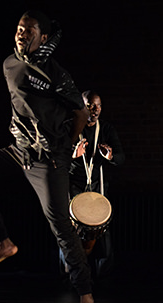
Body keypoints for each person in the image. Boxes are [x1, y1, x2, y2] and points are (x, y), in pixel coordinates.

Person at [0, 10, 97, 303]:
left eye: (29, 30)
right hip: (19, 150)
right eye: (20, 28)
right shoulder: (9, 63)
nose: (22, 33)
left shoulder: (55, 74)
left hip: (49, 159)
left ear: (43, 38)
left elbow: (82, 112)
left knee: (60, 224)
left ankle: (87, 298)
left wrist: (65, 147)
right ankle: (2, 242)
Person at [66, 90, 125, 277]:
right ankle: (69, 275)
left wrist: (111, 156)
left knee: (102, 230)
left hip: (97, 185)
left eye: (98, 105)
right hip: (74, 184)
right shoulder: (70, 127)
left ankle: (103, 277)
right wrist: (73, 155)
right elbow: (55, 159)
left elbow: (121, 158)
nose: (95, 109)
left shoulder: (106, 129)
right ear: (82, 106)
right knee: (69, 231)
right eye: (90, 105)